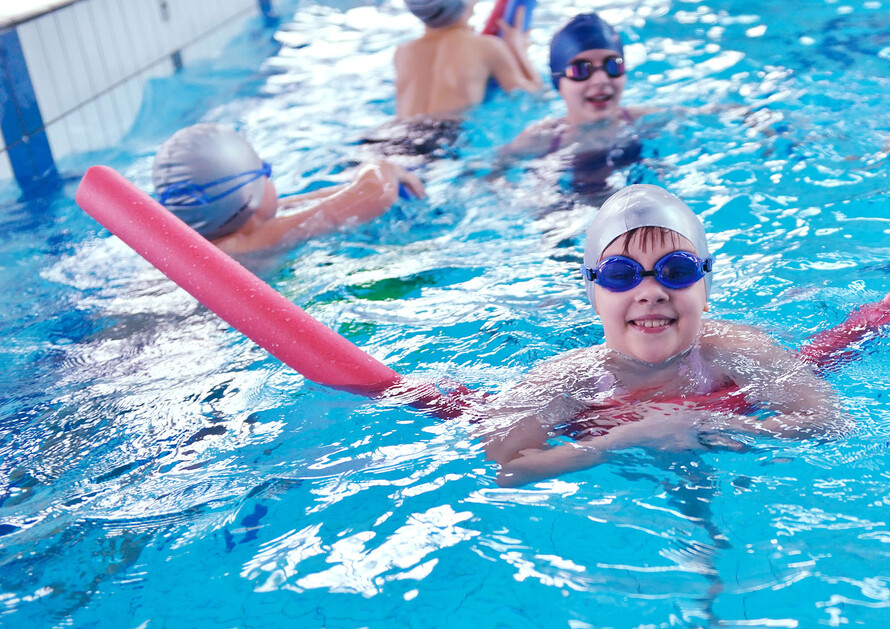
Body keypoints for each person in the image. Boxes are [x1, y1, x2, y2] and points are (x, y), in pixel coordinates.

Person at [478, 185, 849, 486]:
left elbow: (830, 422)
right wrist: (629, 438)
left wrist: (722, 425)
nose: (651, 291)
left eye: (677, 270)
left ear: (705, 289)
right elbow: (509, 469)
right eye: (620, 275)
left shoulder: (738, 349)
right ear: (594, 296)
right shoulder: (564, 380)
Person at [153, 124, 425, 255]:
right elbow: (377, 193)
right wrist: (383, 166)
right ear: (248, 199)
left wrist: (347, 188)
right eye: (265, 172)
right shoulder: (250, 244)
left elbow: (297, 205)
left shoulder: (205, 239)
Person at [496, 13, 648, 194]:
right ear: (558, 82)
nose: (601, 80)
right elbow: (490, 176)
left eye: (613, 65)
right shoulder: (541, 139)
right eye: (581, 70)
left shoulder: (646, 120)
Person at [375, 0, 541, 157]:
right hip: (447, 138)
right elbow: (533, 94)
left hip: (394, 136)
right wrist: (518, 49)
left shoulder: (403, 52)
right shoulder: (486, 46)